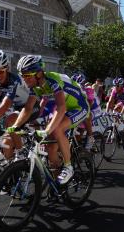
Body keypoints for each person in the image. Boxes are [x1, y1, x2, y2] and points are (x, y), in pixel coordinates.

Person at [8, 55, 90, 184]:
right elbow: (28, 108)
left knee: (57, 129)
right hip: (63, 108)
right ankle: (56, 176)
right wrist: (16, 125)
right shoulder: (35, 85)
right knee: (51, 148)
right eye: (23, 75)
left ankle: (68, 167)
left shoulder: (53, 81)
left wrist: (46, 131)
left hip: (79, 107)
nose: (25, 79)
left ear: (39, 74)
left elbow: (61, 107)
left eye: (28, 75)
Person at [106, 77, 124, 150]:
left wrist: (121, 113)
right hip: (121, 103)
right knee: (115, 111)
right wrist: (107, 111)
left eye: (117, 85)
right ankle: (115, 128)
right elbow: (110, 102)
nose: (115, 87)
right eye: (114, 85)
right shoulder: (114, 90)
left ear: (121, 86)